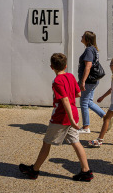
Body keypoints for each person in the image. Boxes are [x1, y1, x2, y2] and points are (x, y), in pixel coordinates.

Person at [19, 53, 93, 182]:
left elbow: (64, 100)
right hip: (74, 113)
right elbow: (79, 93)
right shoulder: (70, 76)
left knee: (46, 142)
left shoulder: (57, 81)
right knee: (76, 142)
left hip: (61, 117)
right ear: (65, 65)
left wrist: (69, 118)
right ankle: (86, 171)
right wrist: (72, 118)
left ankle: (34, 170)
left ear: (51, 67)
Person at [77, 31, 106, 133]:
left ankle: (86, 127)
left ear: (87, 39)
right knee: (88, 102)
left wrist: (83, 81)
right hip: (93, 81)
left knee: (84, 103)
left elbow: (88, 66)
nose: (81, 37)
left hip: (88, 81)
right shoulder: (94, 49)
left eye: (83, 36)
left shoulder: (89, 50)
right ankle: (105, 116)